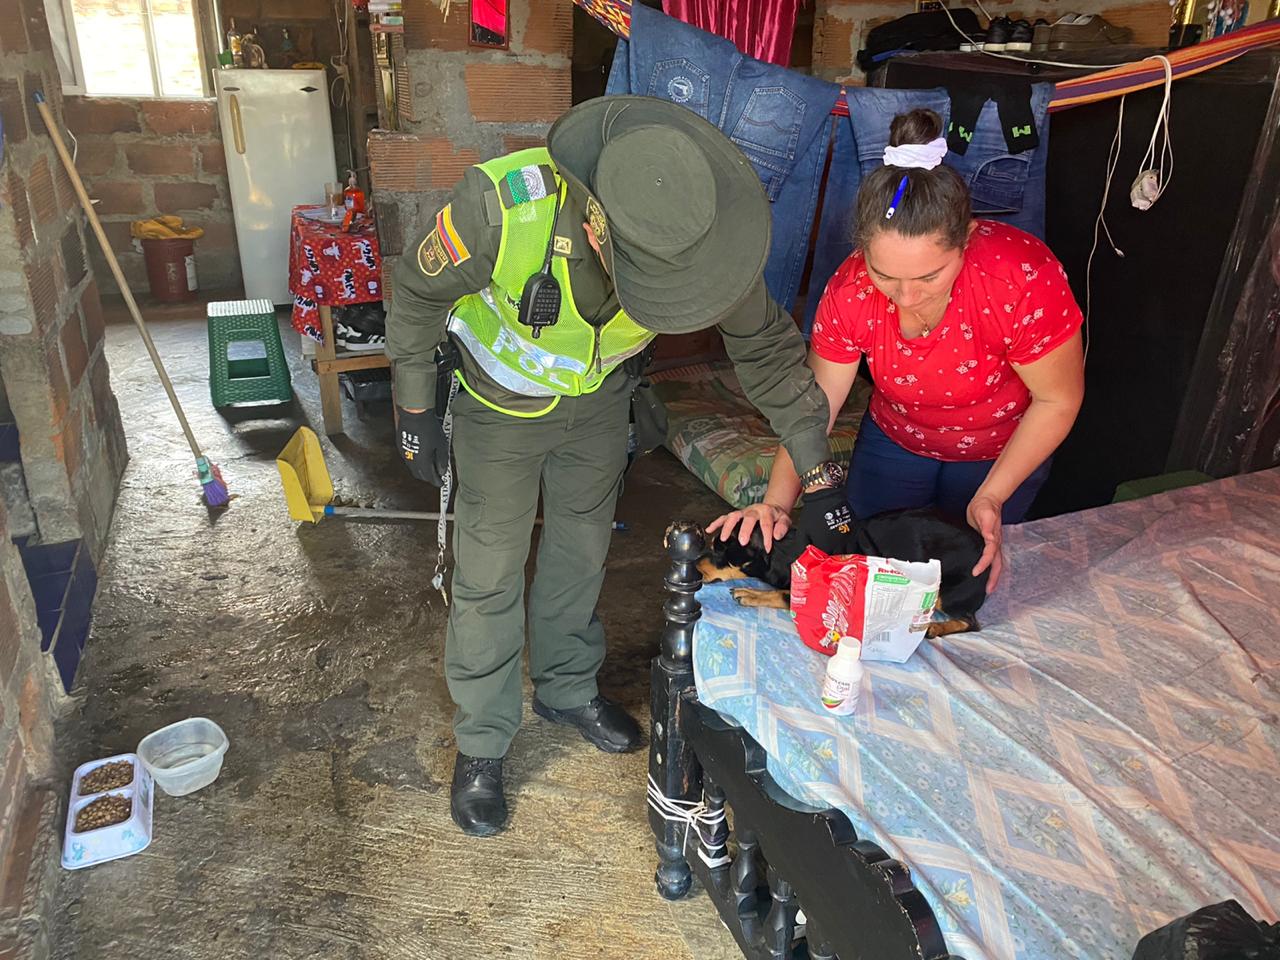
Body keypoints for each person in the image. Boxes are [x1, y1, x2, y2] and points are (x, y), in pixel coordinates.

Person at [386, 96, 850, 837]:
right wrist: (413, 406)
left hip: (602, 405)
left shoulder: (698, 226)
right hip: (499, 408)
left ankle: (567, 686)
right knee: (489, 571)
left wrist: (817, 470)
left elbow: (764, 348)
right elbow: (415, 291)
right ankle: (483, 740)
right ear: (596, 224)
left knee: (581, 550)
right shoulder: (503, 207)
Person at [711, 109, 1085, 589]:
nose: (906, 297)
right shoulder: (850, 290)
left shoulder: (1020, 279)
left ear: (967, 239)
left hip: (1001, 451)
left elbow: (1058, 399)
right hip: (896, 442)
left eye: (930, 276)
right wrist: (776, 504)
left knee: (962, 582)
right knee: (867, 573)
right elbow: (813, 408)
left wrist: (992, 496)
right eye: (884, 274)